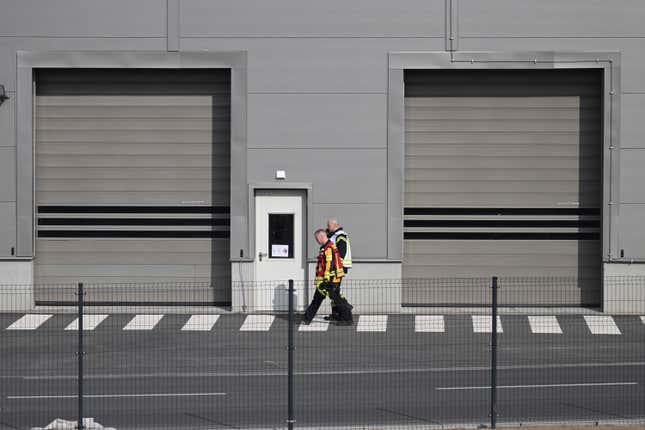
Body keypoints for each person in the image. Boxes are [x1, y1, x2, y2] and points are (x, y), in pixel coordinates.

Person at [302, 229, 352, 325]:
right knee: (323, 298)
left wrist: (326, 279)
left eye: (316, 238)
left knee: (335, 299)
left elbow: (329, 264)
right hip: (329, 279)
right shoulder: (327, 247)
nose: (316, 241)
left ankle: (347, 317)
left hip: (330, 280)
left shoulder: (328, 248)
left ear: (321, 236)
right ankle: (307, 318)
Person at [325, 218, 353, 322]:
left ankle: (345, 307)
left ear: (334, 225)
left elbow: (341, 252)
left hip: (338, 269)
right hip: (336, 268)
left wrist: (335, 267)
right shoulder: (335, 235)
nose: (328, 227)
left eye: (329, 225)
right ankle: (336, 313)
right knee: (333, 291)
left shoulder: (340, 236)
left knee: (334, 291)